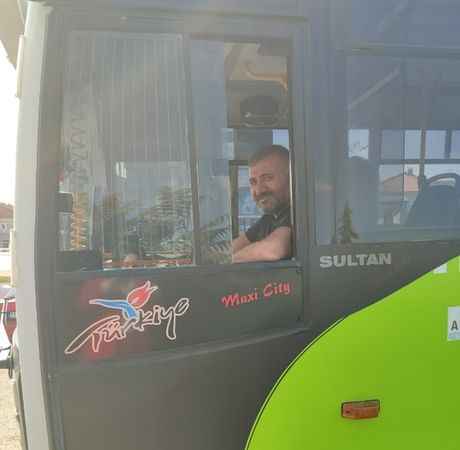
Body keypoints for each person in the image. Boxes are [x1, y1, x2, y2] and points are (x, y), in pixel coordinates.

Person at [232, 145, 292, 263]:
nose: (259, 190)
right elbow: (234, 247)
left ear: (290, 178)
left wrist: (225, 262)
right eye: (253, 182)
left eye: (268, 178)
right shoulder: (269, 219)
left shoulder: (298, 213)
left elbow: (273, 250)